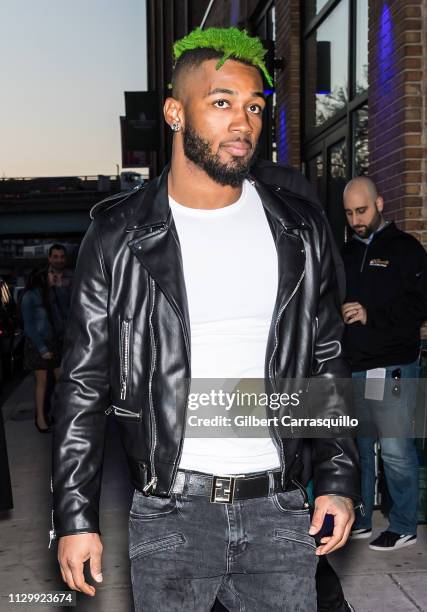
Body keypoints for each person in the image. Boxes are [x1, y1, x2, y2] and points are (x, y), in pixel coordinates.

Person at [52, 27, 360, 611]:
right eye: (221, 103)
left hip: (280, 508)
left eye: (253, 107)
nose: (242, 122)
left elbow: (324, 357)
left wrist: (340, 481)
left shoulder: (298, 229)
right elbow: (83, 384)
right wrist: (74, 515)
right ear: (174, 112)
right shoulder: (117, 236)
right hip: (170, 514)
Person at [341, 176, 427, 551]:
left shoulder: (406, 249)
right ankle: (359, 519)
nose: (356, 219)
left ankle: (404, 524)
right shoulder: (344, 253)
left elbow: (420, 305)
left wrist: (370, 314)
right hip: (355, 367)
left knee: (394, 448)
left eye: (361, 210)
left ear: (380, 203)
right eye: (348, 213)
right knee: (359, 449)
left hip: (393, 366)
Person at [21, 270, 62, 432]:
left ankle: (56, 414)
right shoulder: (29, 297)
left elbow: (63, 313)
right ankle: (40, 420)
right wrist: (43, 349)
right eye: (51, 273)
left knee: (61, 381)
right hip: (38, 345)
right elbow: (29, 327)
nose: (55, 275)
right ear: (42, 277)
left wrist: (59, 288)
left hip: (53, 342)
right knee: (42, 383)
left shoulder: (51, 294)